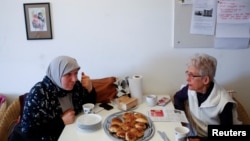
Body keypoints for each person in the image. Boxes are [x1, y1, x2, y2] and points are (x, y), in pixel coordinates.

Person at [9, 56, 96, 141]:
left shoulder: (75, 86)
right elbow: (28, 133)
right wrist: (61, 122)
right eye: (68, 74)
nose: (74, 79)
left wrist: (90, 89)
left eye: (76, 73)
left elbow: (88, 105)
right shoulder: (39, 93)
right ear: (56, 73)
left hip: (69, 133)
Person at [173, 53, 241, 141]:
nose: (187, 79)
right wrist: (182, 119)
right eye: (187, 73)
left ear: (205, 80)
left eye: (192, 76)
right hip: (194, 134)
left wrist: (201, 140)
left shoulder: (224, 102)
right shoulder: (191, 89)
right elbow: (178, 97)